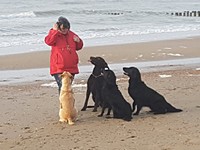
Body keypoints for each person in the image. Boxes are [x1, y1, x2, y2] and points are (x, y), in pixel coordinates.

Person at [45, 16, 83, 94]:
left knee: (68, 87)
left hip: (71, 66)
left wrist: (78, 41)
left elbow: (79, 47)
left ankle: (68, 104)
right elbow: (49, 41)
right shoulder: (54, 34)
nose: (65, 30)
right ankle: (63, 105)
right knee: (63, 87)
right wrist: (55, 31)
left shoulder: (71, 34)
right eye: (63, 29)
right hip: (59, 67)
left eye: (66, 29)